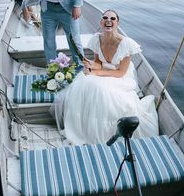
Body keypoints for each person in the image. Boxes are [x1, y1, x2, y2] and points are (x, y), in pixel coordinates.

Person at [51, 9, 159, 145]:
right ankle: (83, 128)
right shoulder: (97, 39)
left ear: (117, 23)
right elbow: (99, 63)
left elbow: (120, 73)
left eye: (113, 18)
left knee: (100, 89)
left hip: (121, 78)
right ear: (101, 22)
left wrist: (96, 73)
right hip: (104, 71)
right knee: (83, 82)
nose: (109, 20)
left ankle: (104, 133)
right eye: (105, 18)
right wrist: (90, 64)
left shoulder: (126, 44)